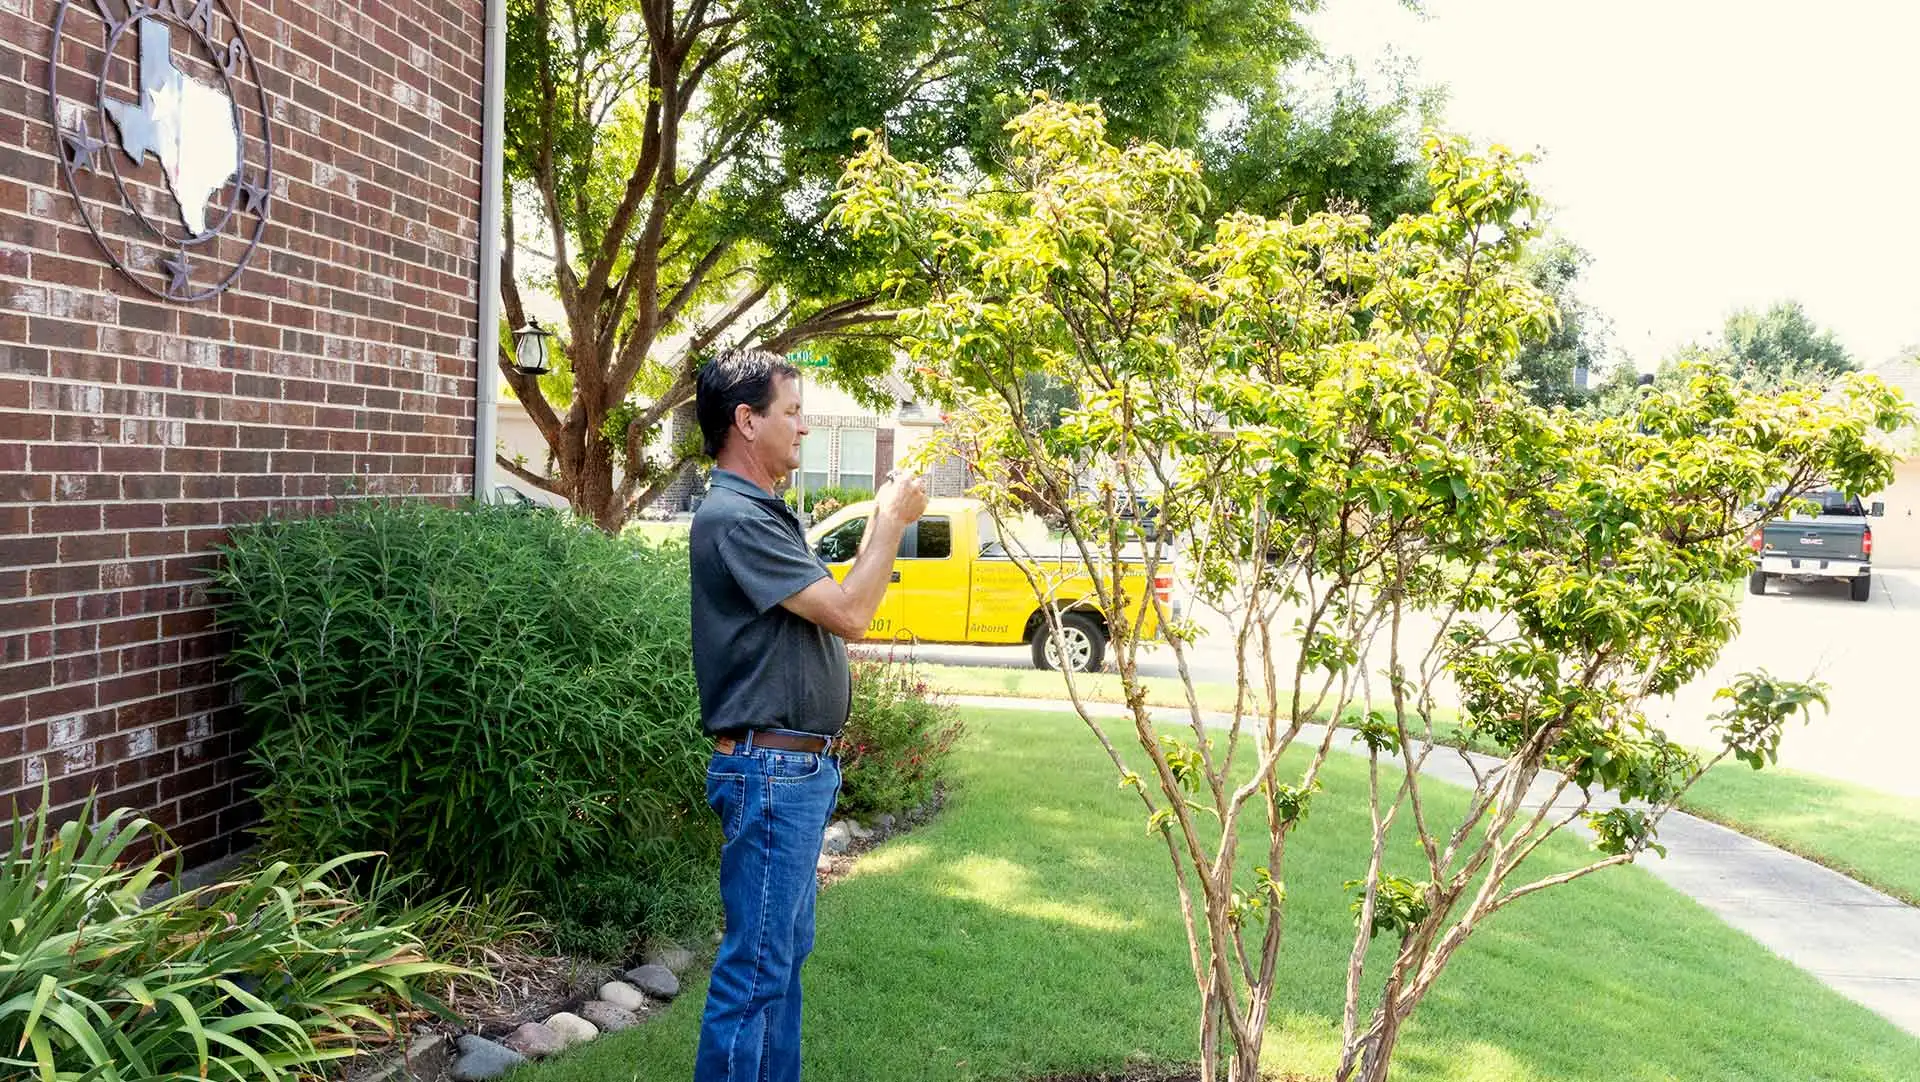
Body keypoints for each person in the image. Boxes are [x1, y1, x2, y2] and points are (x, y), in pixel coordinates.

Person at [687, 349, 927, 1082]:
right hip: (770, 772)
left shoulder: (765, 513)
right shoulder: (734, 517)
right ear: (746, 420)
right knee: (756, 971)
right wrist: (888, 521)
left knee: (779, 965)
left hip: (791, 771)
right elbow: (851, 613)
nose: (804, 425)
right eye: (792, 411)